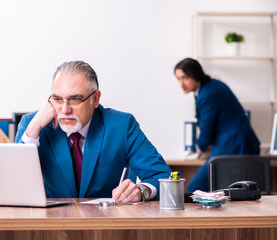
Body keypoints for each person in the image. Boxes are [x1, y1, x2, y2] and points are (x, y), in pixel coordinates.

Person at [15, 60, 171, 202]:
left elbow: (162, 176)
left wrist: (141, 190)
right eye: (57, 99)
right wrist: (32, 132)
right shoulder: (33, 124)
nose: (65, 109)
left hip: (106, 224)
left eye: (75, 99)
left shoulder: (121, 126)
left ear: (95, 99)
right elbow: (14, 184)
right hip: (49, 226)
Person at [174, 57, 260, 192]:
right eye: (178, 78)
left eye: (184, 77)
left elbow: (206, 129)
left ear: (196, 75)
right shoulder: (210, 87)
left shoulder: (207, 94)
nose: (181, 83)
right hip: (236, 144)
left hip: (235, 146)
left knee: (195, 188)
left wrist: (200, 147)